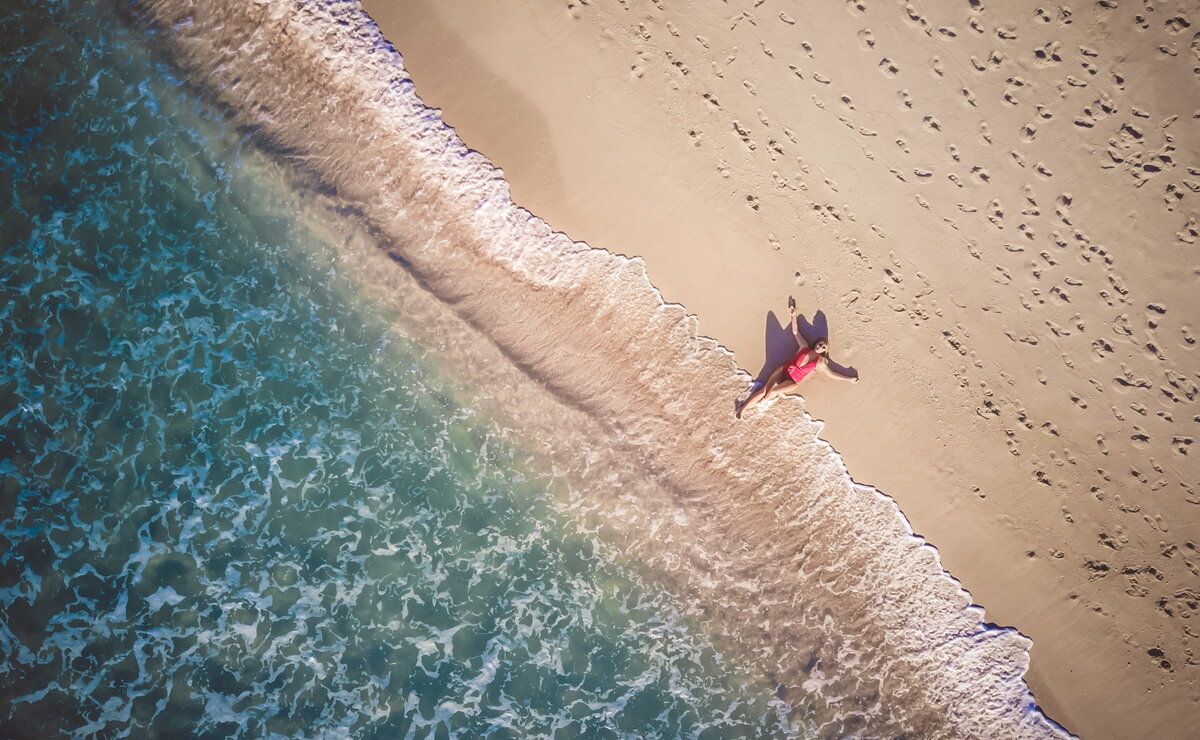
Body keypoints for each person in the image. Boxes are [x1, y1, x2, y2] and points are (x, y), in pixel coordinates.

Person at [736, 302, 858, 418]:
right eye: (820, 344)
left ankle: (760, 404)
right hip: (782, 370)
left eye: (823, 347)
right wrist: (793, 315)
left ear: (824, 351)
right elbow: (795, 332)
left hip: (792, 381)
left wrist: (849, 379)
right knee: (764, 391)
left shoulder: (820, 362)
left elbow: (832, 374)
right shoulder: (804, 346)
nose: (820, 346)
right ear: (816, 343)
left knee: (771, 392)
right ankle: (742, 410)